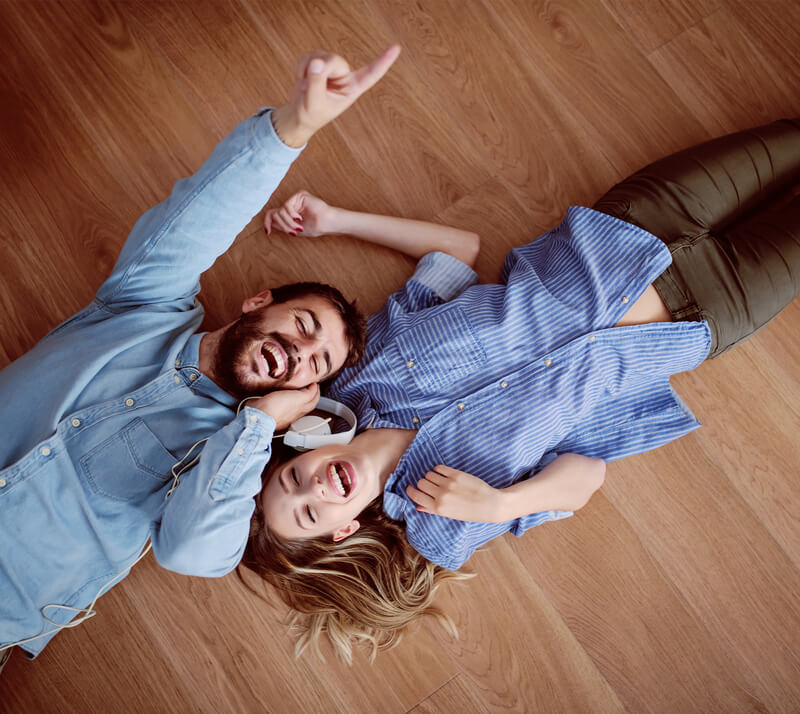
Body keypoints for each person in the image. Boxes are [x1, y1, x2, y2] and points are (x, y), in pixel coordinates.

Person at [244, 118, 800, 662]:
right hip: (702, 315)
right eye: (310, 515)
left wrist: (335, 219)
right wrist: (502, 504)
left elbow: (455, 250)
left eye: (293, 479)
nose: (314, 489)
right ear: (343, 531)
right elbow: (587, 475)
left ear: (303, 447)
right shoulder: (446, 521)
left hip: (627, 229)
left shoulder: (366, 369)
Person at [0, 45, 402, 664]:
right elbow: (200, 216)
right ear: (257, 302)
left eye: (315, 364)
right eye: (302, 325)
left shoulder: (224, 466)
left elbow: (194, 553)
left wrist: (264, 423)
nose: (298, 352)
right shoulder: (144, 305)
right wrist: (296, 125)